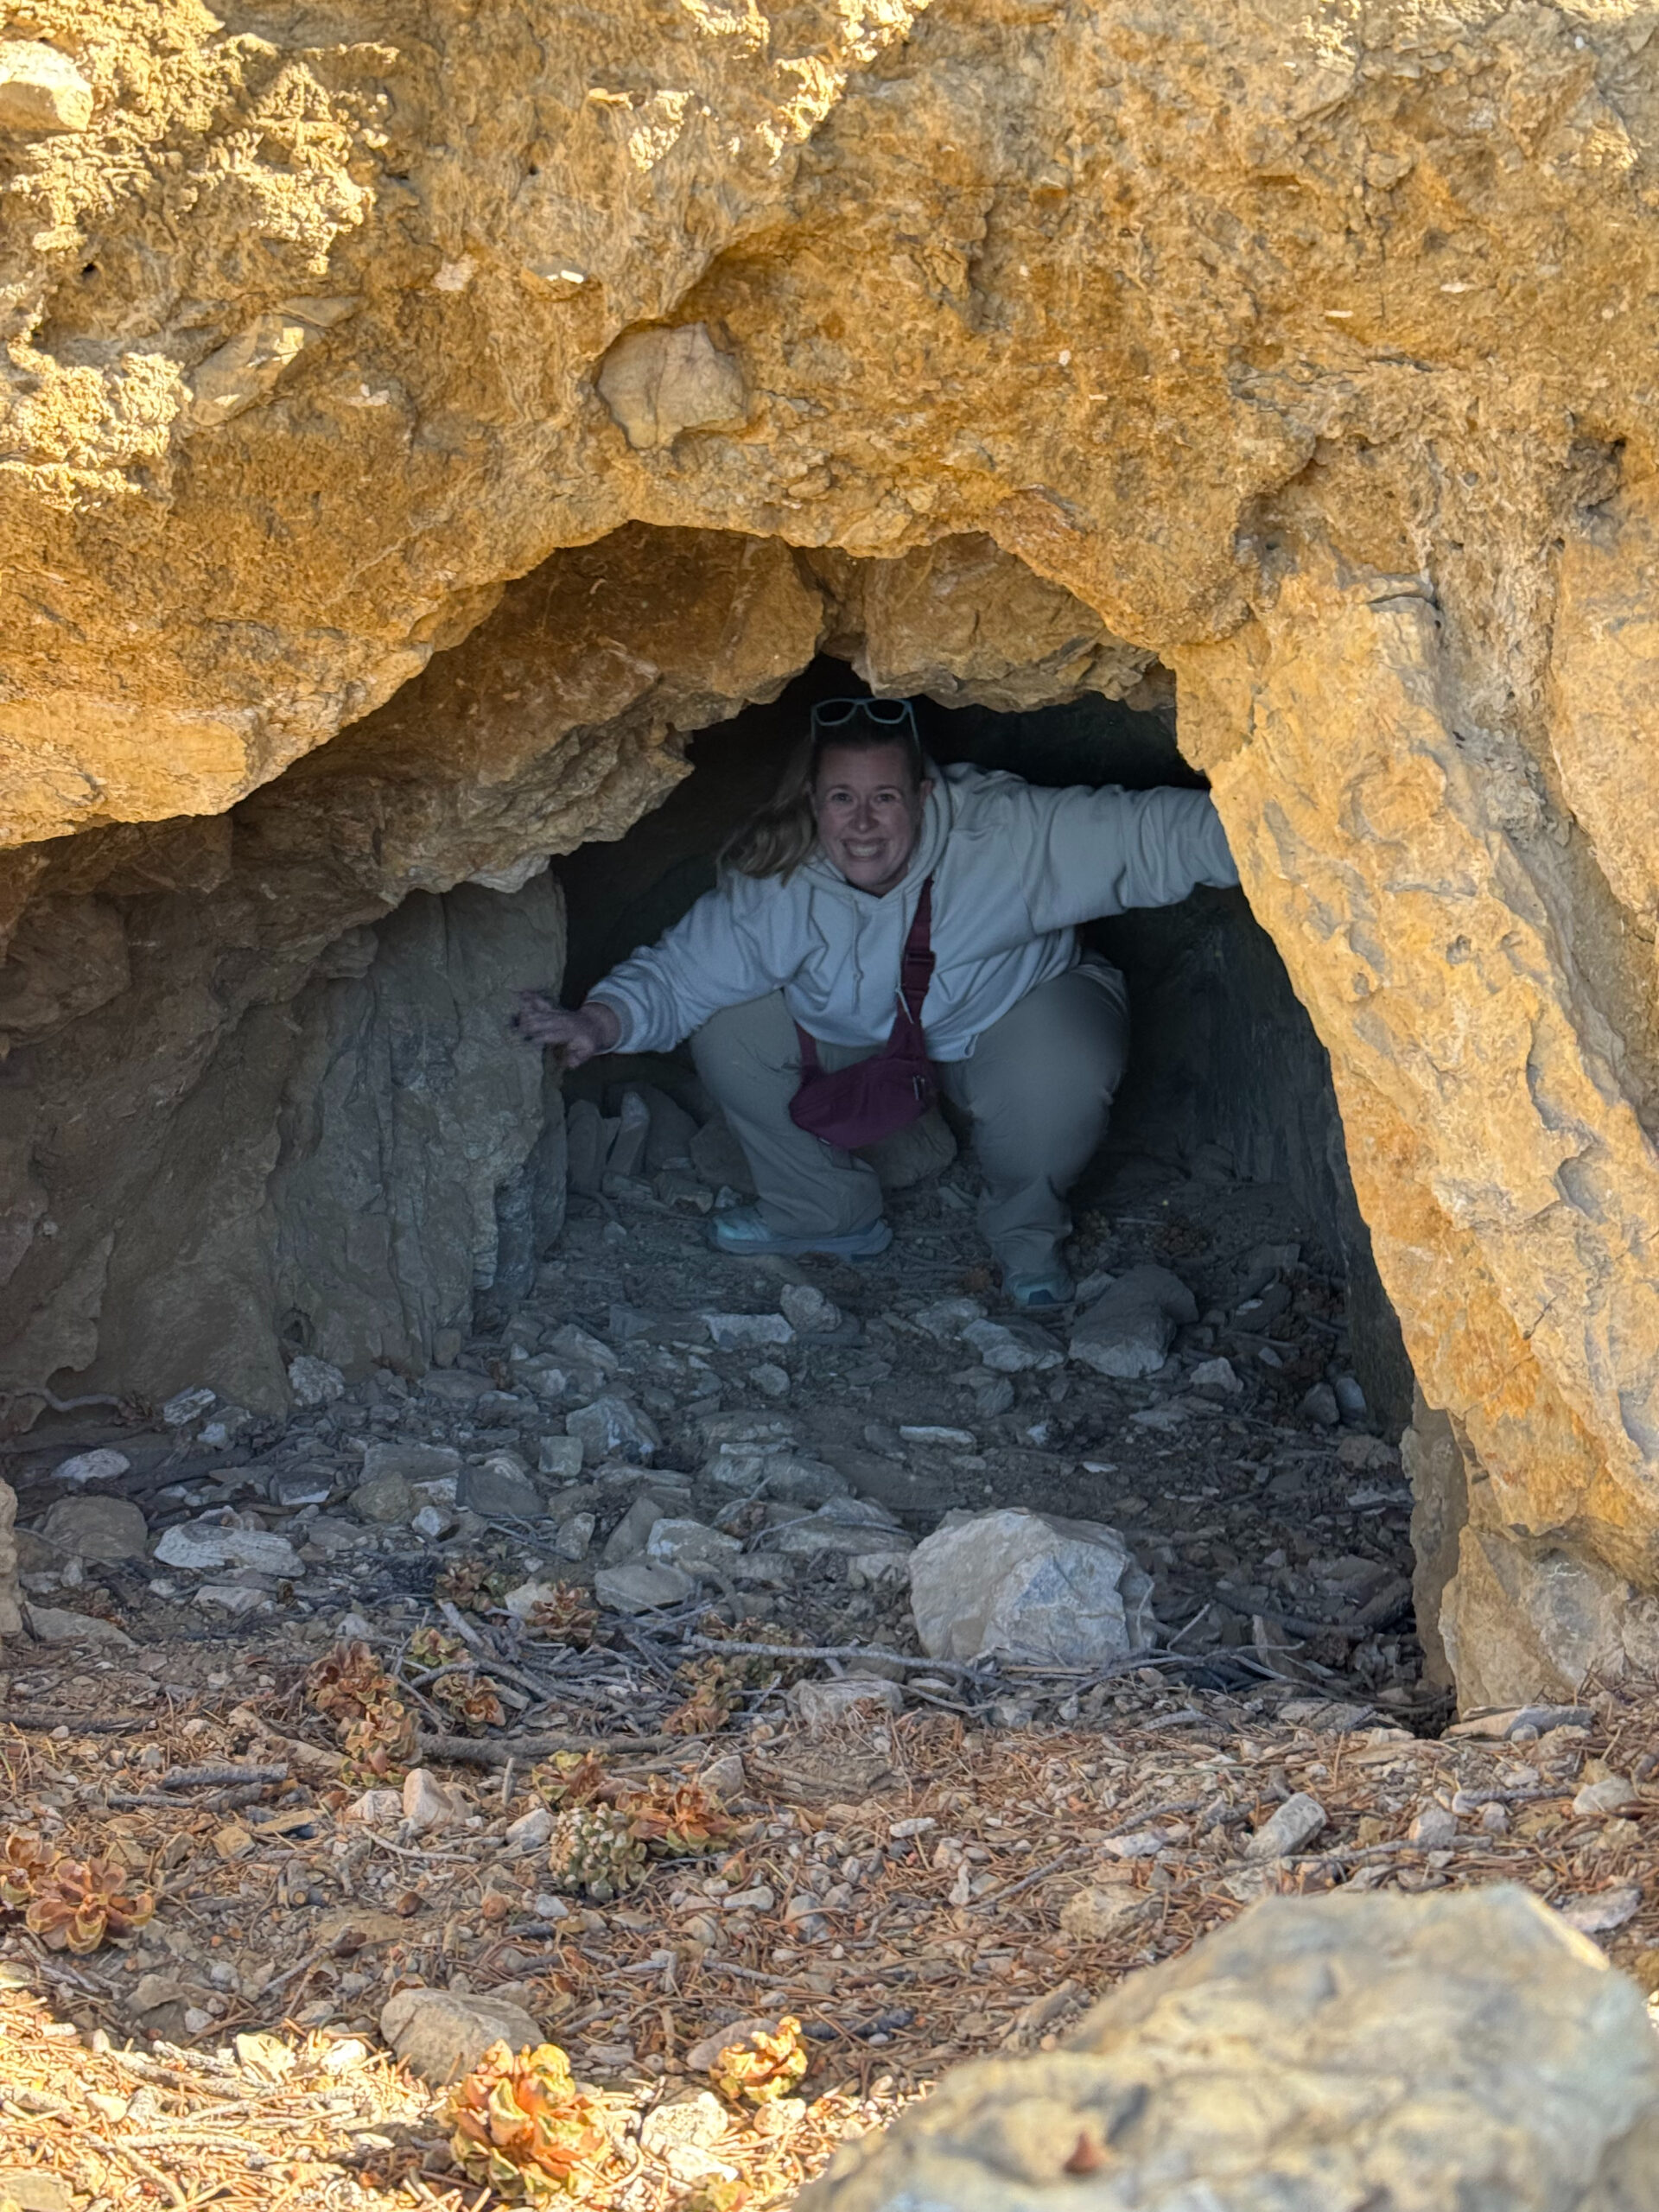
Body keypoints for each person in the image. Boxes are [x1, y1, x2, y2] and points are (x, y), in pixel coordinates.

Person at [518, 697, 1238, 1307]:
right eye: (842, 798)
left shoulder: (1005, 831)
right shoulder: (782, 874)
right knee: (729, 1023)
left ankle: (1026, 1236)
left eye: (884, 798)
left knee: (1065, 1064)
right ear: (814, 802)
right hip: (862, 1029)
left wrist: (1287, 841)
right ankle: (822, 1212)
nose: (862, 823)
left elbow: (1154, 838)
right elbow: (683, 975)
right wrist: (600, 1020)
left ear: (923, 796)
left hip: (1006, 1010)